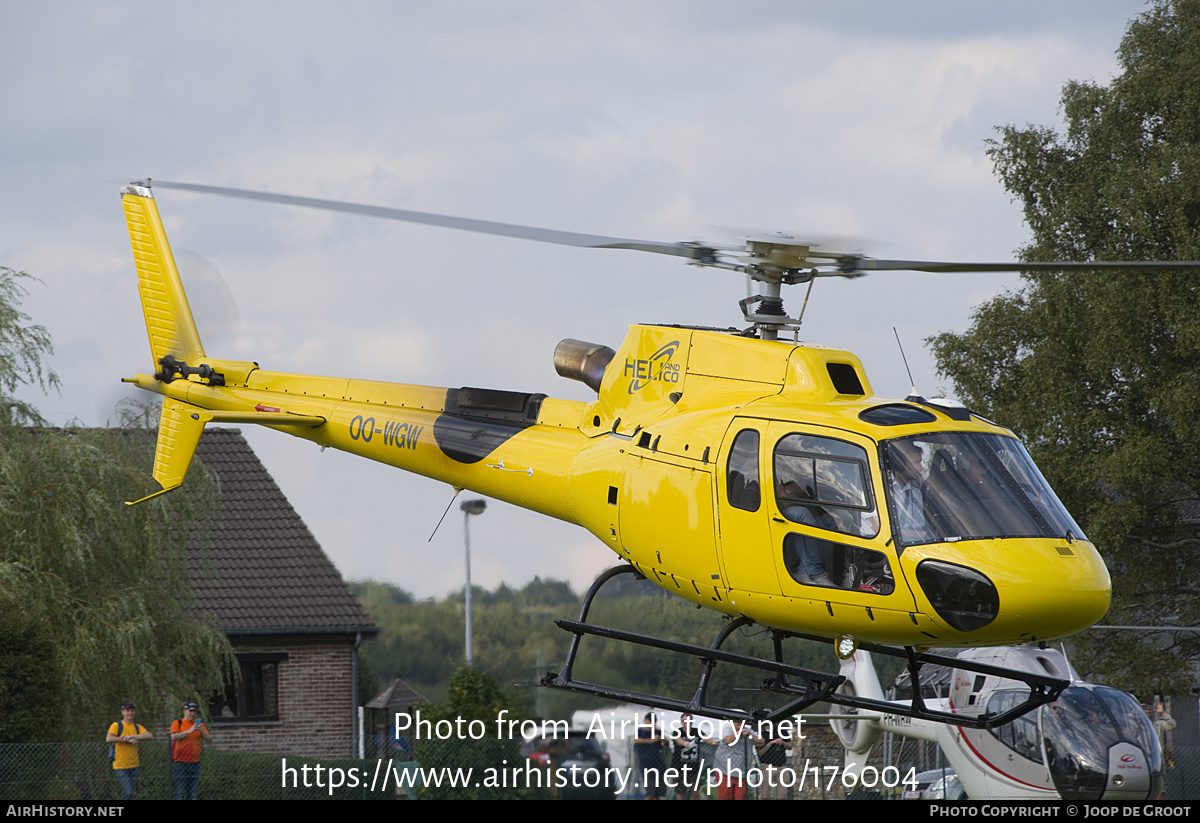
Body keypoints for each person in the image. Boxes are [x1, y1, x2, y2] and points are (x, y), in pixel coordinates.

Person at [107, 701, 152, 800]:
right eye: (128, 710)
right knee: (128, 792)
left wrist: (133, 736)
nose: (130, 713)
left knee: (130, 794)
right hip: (121, 765)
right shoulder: (117, 725)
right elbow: (109, 738)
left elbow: (149, 735)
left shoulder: (137, 727)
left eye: (132, 710)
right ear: (123, 712)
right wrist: (126, 740)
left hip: (134, 765)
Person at [707, 719, 762, 800]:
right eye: (736, 721)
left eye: (742, 721)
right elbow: (727, 740)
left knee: (741, 796)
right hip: (725, 770)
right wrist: (739, 733)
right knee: (725, 796)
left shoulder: (748, 730)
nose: (739, 723)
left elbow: (761, 741)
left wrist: (749, 734)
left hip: (742, 772)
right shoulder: (727, 728)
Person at [170, 700, 211, 800]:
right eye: (190, 711)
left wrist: (202, 731)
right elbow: (173, 736)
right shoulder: (178, 723)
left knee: (192, 794)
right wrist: (190, 731)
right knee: (180, 793)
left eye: (194, 711)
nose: (192, 713)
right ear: (185, 711)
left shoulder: (199, 725)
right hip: (181, 763)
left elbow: (209, 739)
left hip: (195, 763)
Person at [634, 712, 666, 800]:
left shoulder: (657, 732)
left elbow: (666, 743)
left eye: (654, 721)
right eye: (650, 721)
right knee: (650, 793)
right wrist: (651, 740)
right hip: (646, 765)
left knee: (658, 794)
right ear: (645, 721)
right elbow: (636, 740)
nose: (652, 723)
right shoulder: (640, 731)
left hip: (659, 765)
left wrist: (661, 738)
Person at [671, 713, 702, 800]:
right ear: (682, 722)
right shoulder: (677, 732)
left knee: (695, 791)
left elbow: (706, 738)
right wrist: (684, 743)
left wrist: (713, 742)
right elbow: (678, 740)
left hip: (694, 768)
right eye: (685, 720)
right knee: (681, 792)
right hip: (679, 768)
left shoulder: (697, 731)